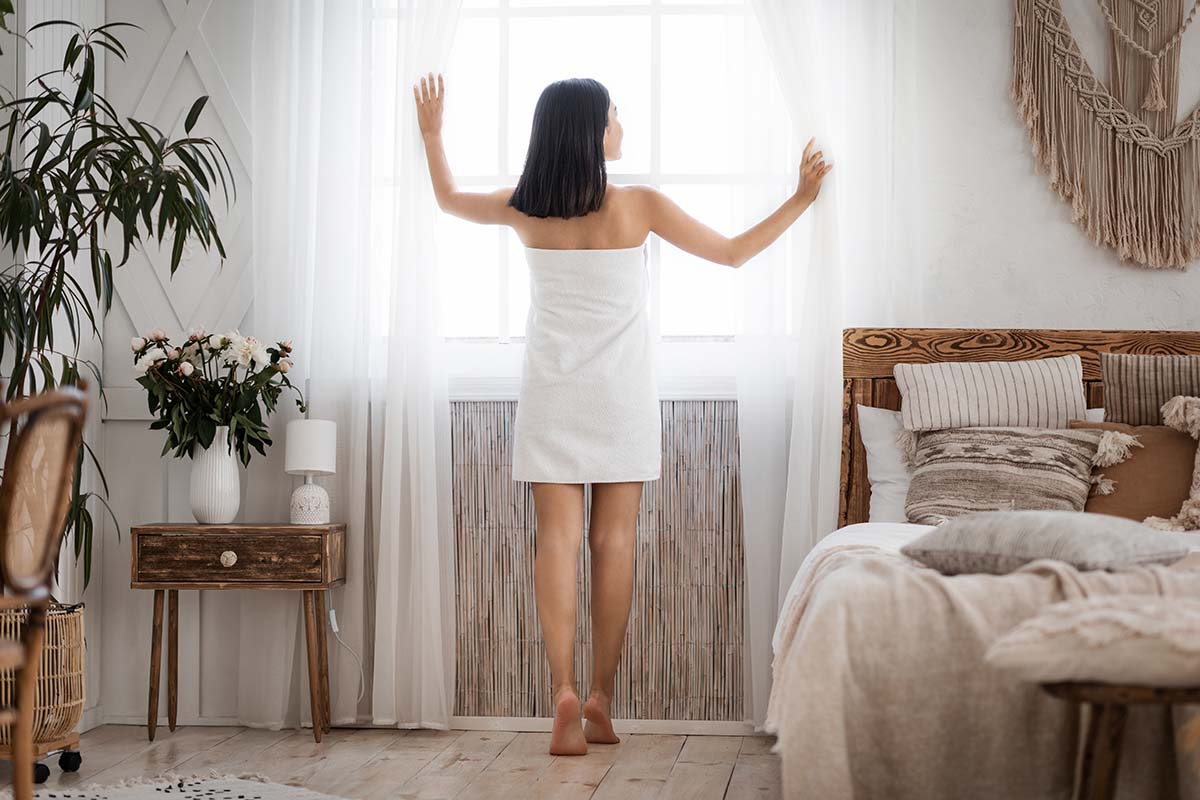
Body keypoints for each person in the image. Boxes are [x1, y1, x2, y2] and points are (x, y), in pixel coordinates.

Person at [414, 72, 830, 756]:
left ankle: (563, 692)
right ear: (591, 130)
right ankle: (601, 698)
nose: (622, 125)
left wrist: (433, 135)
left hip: (551, 396)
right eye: (614, 116)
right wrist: (801, 198)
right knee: (613, 546)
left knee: (556, 542)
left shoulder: (526, 207)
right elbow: (731, 253)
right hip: (620, 400)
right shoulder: (637, 205)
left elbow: (448, 198)